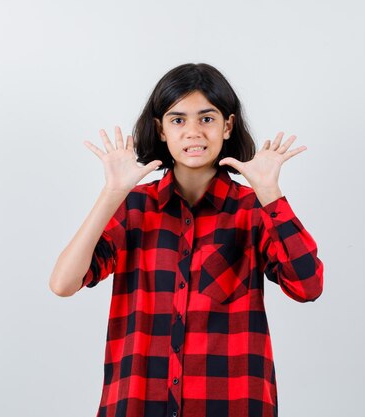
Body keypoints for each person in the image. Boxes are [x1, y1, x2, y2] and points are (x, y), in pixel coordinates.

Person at [49, 62, 324, 417]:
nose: (193, 132)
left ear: (228, 125)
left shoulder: (255, 210)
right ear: (160, 130)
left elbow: (308, 286)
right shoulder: (133, 208)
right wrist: (112, 193)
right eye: (178, 120)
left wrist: (270, 192)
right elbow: (63, 283)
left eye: (206, 119)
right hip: (137, 403)